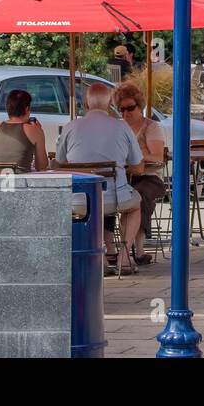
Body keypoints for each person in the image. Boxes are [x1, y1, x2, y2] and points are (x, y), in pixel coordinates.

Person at [57, 81, 144, 274]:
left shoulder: (70, 127)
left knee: (90, 210)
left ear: (86, 105)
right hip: (115, 198)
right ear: (109, 104)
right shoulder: (122, 128)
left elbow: (59, 163)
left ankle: (100, 259)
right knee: (135, 205)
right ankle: (124, 257)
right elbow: (138, 167)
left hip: (79, 201)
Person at [114, 81, 167, 265]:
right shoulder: (118, 127)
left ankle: (139, 247)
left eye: (130, 108)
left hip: (149, 176)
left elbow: (158, 156)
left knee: (140, 196)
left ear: (140, 106)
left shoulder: (151, 127)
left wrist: (137, 157)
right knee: (108, 194)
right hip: (125, 176)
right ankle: (115, 249)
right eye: (122, 110)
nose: (126, 113)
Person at [0, 89, 49, 172]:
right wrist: (40, 132)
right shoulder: (34, 130)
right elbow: (41, 167)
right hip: (20, 181)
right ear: (27, 109)